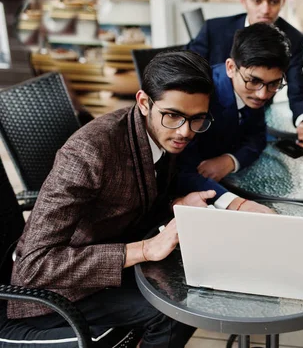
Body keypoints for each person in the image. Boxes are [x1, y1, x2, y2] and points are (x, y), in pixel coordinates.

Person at [8, 51, 229, 347]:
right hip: (60, 293)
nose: (186, 131)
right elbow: (34, 266)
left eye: (197, 118)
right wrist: (145, 249)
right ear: (142, 102)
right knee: (180, 309)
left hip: (114, 263)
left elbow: (137, 195)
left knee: (204, 282)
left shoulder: (164, 132)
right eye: (173, 116)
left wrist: (175, 204)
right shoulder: (90, 152)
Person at [186, 0, 303, 150]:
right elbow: (185, 71)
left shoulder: (293, 38)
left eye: (273, 1)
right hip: (208, 122)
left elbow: (297, 86)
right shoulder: (214, 30)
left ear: (283, 1)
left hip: (256, 120)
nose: (265, 10)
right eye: (257, 0)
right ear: (243, 0)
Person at [178, 23, 290, 202]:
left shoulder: (253, 90)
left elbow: (258, 136)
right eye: (253, 81)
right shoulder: (200, 97)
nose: (262, 94)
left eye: (274, 84)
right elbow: (181, 169)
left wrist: (230, 160)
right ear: (231, 68)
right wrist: (236, 204)